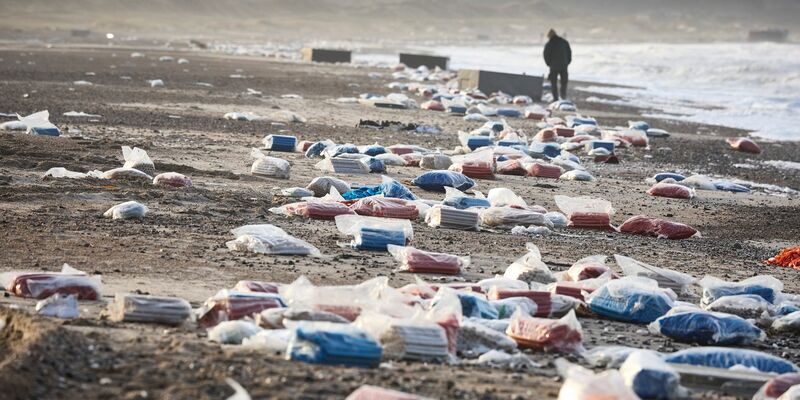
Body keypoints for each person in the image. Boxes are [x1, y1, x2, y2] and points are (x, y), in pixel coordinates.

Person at [543, 29, 572, 101]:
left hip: (553, 67)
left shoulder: (549, 44)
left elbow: (545, 55)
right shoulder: (564, 42)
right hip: (564, 65)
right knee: (564, 83)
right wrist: (567, 62)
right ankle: (563, 96)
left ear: (549, 36)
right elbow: (569, 53)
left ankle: (555, 98)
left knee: (554, 83)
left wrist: (549, 63)